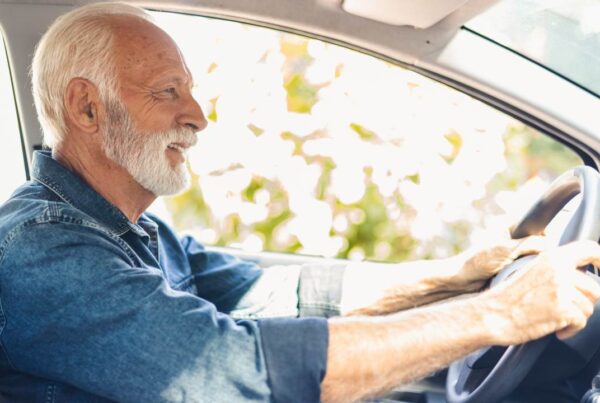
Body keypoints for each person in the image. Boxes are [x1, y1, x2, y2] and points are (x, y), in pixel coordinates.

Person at [0, 2, 599, 402]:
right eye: (168, 92)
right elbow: (236, 367)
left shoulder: (135, 231)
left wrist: (458, 275)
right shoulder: (42, 253)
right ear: (86, 108)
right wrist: (498, 314)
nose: (199, 117)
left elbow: (277, 297)